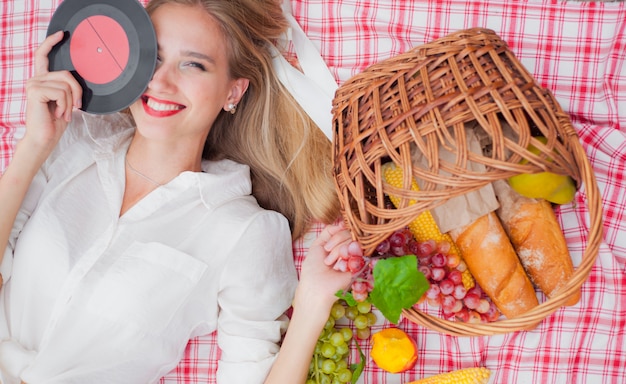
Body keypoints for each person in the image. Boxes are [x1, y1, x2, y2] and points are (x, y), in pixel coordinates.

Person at [0, 0, 363, 383]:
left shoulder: (244, 231)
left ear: (233, 92)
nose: (160, 81)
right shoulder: (70, 140)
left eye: (193, 64)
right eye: (151, 58)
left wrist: (311, 305)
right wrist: (34, 147)